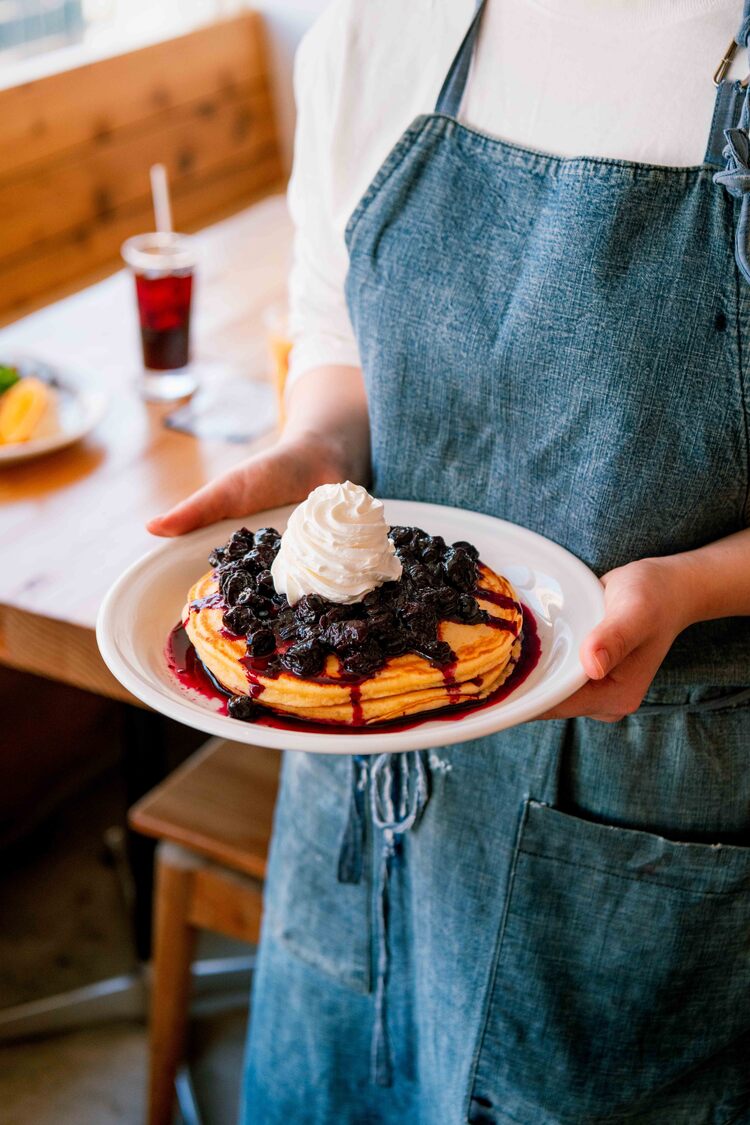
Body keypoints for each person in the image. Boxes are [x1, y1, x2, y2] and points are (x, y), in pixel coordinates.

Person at [149, 1, 750, 1120]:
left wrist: (700, 586)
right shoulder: (380, 26)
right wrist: (316, 451)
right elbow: (335, 324)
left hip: (656, 785)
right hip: (354, 739)